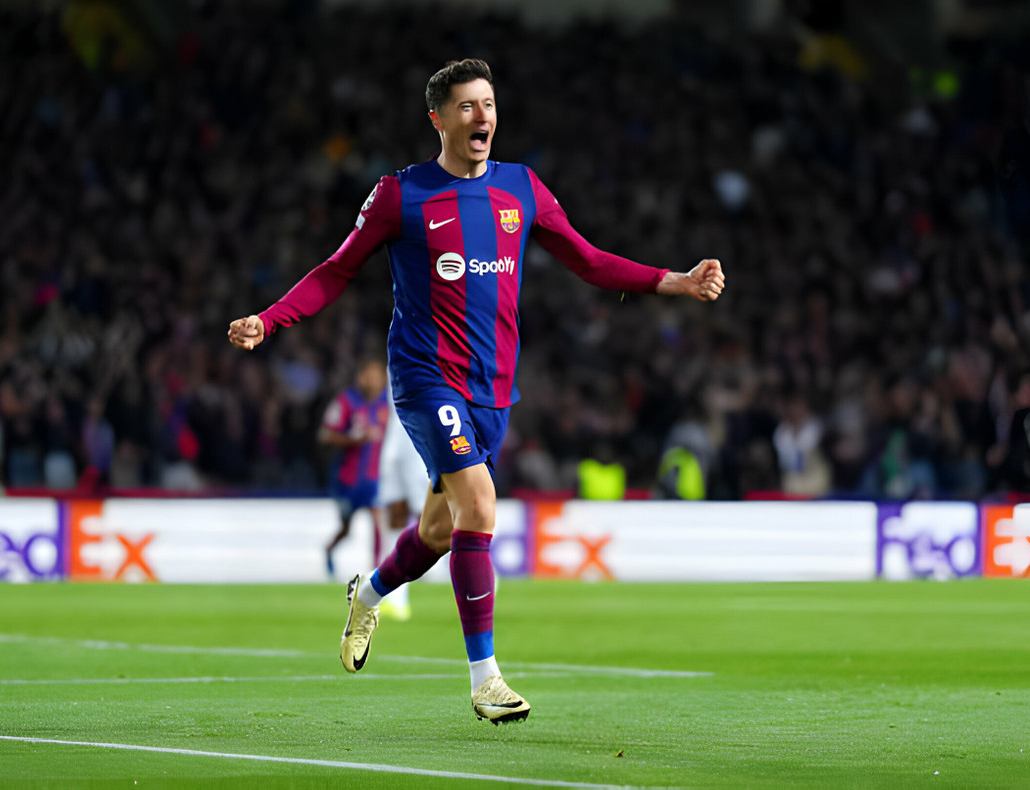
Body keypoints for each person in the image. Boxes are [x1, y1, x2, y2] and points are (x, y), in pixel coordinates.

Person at [228, 58, 725, 724]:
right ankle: (485, 679)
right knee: (481, 504)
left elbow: (588, 260)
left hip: (493, 389)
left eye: (488, 104)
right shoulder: (401, 195)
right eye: (467, 106)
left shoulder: (522, 188)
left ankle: (368, 594)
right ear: (437, 119)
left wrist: (676, 281)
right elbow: (336, 270)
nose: (482, 117)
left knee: (439, 529)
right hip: (425, 377)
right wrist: (270, 320)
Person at [319, 358, 388, 577]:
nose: (372, 381)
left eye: (376, 377)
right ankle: (329, 549)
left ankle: (376, 571)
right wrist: (354, 440)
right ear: (361, 378)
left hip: (374, 479)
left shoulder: (389, 405)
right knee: (347, 528)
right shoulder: (347, 401)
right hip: (347, 479)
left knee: (378, 521)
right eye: (368, 376)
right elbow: (325, 435)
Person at [373, 372, 430, 621]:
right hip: (395, 436)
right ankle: (396, 598)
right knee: (395, 516)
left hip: (420, 433)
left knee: (432, 517)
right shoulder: (393, 352)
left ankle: (483, 572)